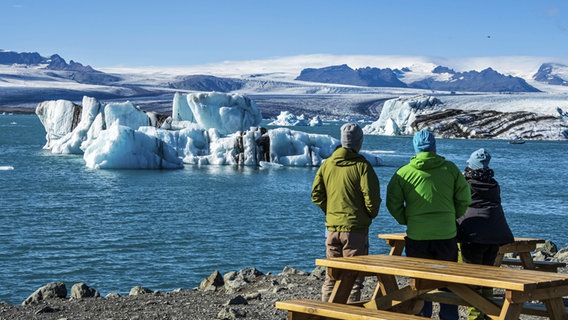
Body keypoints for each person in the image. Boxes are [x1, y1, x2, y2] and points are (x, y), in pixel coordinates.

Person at [386, 130, 471, 320]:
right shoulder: (450, 169)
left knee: (421, 282)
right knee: (447, 283)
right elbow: (465, 198)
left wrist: (406, 219)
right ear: (434, 147)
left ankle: (422, 316)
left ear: (416, 148)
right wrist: (452, 216)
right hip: (446, 234)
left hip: (417, 236)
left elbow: (392, 202)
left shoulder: (403, 173)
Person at [311, 123, 381, 303]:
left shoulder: (327, 165)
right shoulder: (362, 166)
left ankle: (326, 315)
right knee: (354, 279)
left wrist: (331, 211)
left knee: (332, 277)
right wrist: (368, 215)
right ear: (359, 142)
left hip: (332, 228)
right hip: (355, 230)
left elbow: (316, 194)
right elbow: (371, 199)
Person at [457, 148, 514, 320]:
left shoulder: (466, 184)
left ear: (471, 165)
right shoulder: (493, 184)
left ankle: (475, 317)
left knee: (473, 280)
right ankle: (488, 313)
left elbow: (458, 205)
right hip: (495, 234)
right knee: (487, 276)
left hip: (473, 234)